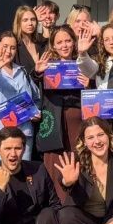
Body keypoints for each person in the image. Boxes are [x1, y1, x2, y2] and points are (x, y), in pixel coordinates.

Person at [34, 25, 98, 194]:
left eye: (68, 41)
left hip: (78, 125)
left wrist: (88, 85)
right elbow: (33, 90)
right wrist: (37, 73)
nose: (64, 45)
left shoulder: (83, 63)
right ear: (53, 46)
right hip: (54, 126)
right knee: (55, 167)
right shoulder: (47, 66)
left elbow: (94, 97)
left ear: (74, 42)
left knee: (80, 164)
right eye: (60, 42)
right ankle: (57, 203)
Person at [0, 31, 40, 164]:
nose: (8, 51)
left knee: (22, 173)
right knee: (1, 172)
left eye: (13, 48)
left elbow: (36, 98)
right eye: (5, 46)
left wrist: (35, 112)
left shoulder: (22, 71)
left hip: (23, 133)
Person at [12, 5, 46, 76]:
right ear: (18, 23)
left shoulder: (41, 43)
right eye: (25, 20)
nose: (30, 23)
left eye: (33, 19)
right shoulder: (14, 44)